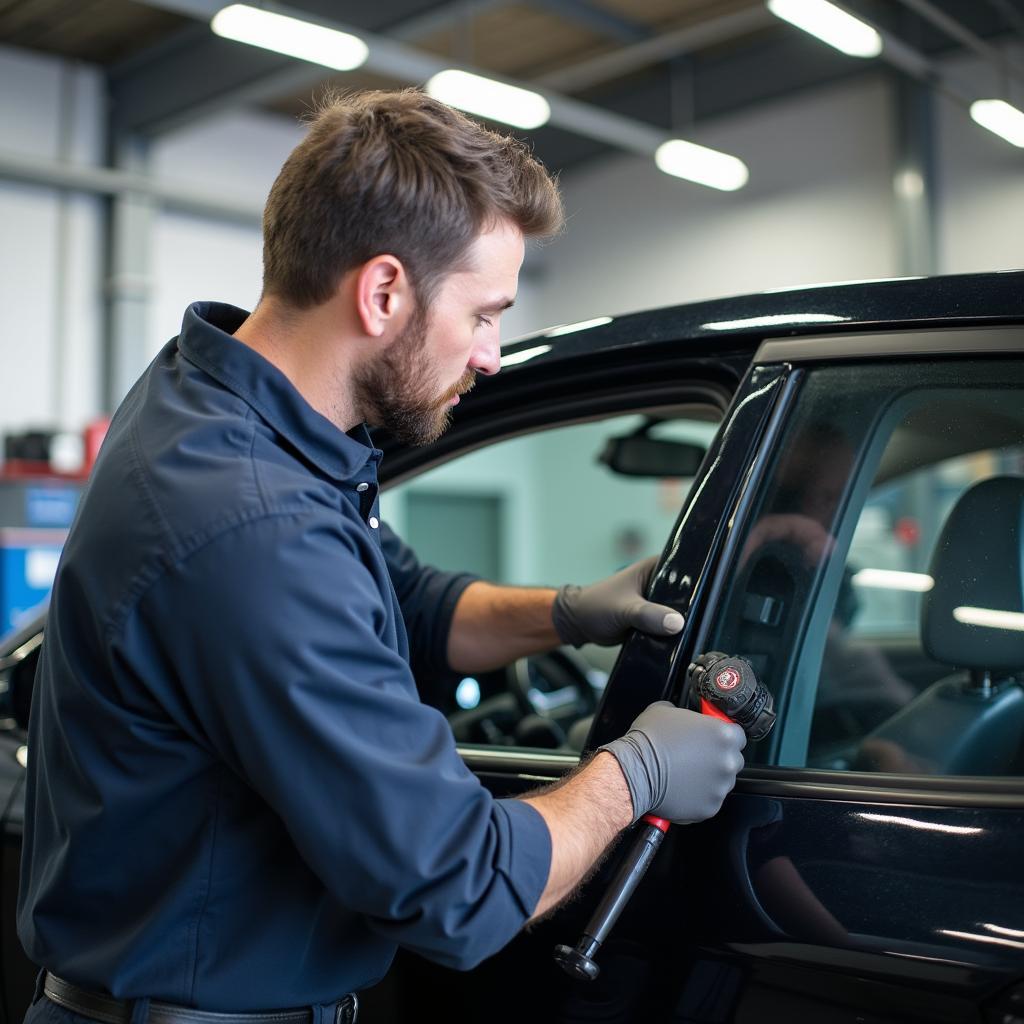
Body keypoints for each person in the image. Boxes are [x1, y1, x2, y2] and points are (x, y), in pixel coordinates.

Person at [18, 90, 746, 1024]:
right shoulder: (253, 526)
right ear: (384, 292)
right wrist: (632, 772)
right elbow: (460, 888)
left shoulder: (215, 401)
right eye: (485, 315)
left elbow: (409, 605)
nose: (491, 355)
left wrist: (567, 611)